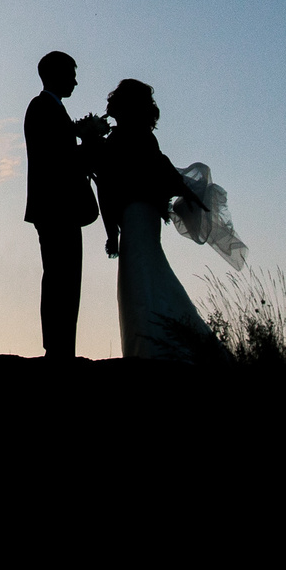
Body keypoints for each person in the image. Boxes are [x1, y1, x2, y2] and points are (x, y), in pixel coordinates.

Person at [92, 78, 214, 361]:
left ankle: (151, 349)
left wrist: (112, 233)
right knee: (145, 275)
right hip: (140, 216)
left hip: (137, 216)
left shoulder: (123, 140)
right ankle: (157, 343)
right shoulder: (139, 138)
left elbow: (110, 187)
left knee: (141, 277)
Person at [20, 51, 108, 359]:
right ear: (55, 74)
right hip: (56, 208)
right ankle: (57, 349)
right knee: (61, 278)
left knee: (65, 278)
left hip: (59, 208)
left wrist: (82, 138)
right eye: (71, 73)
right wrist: (90, 140)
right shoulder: (42, 107)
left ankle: (61, 347)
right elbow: (60, 161)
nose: (75, 80)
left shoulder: (52, 110)